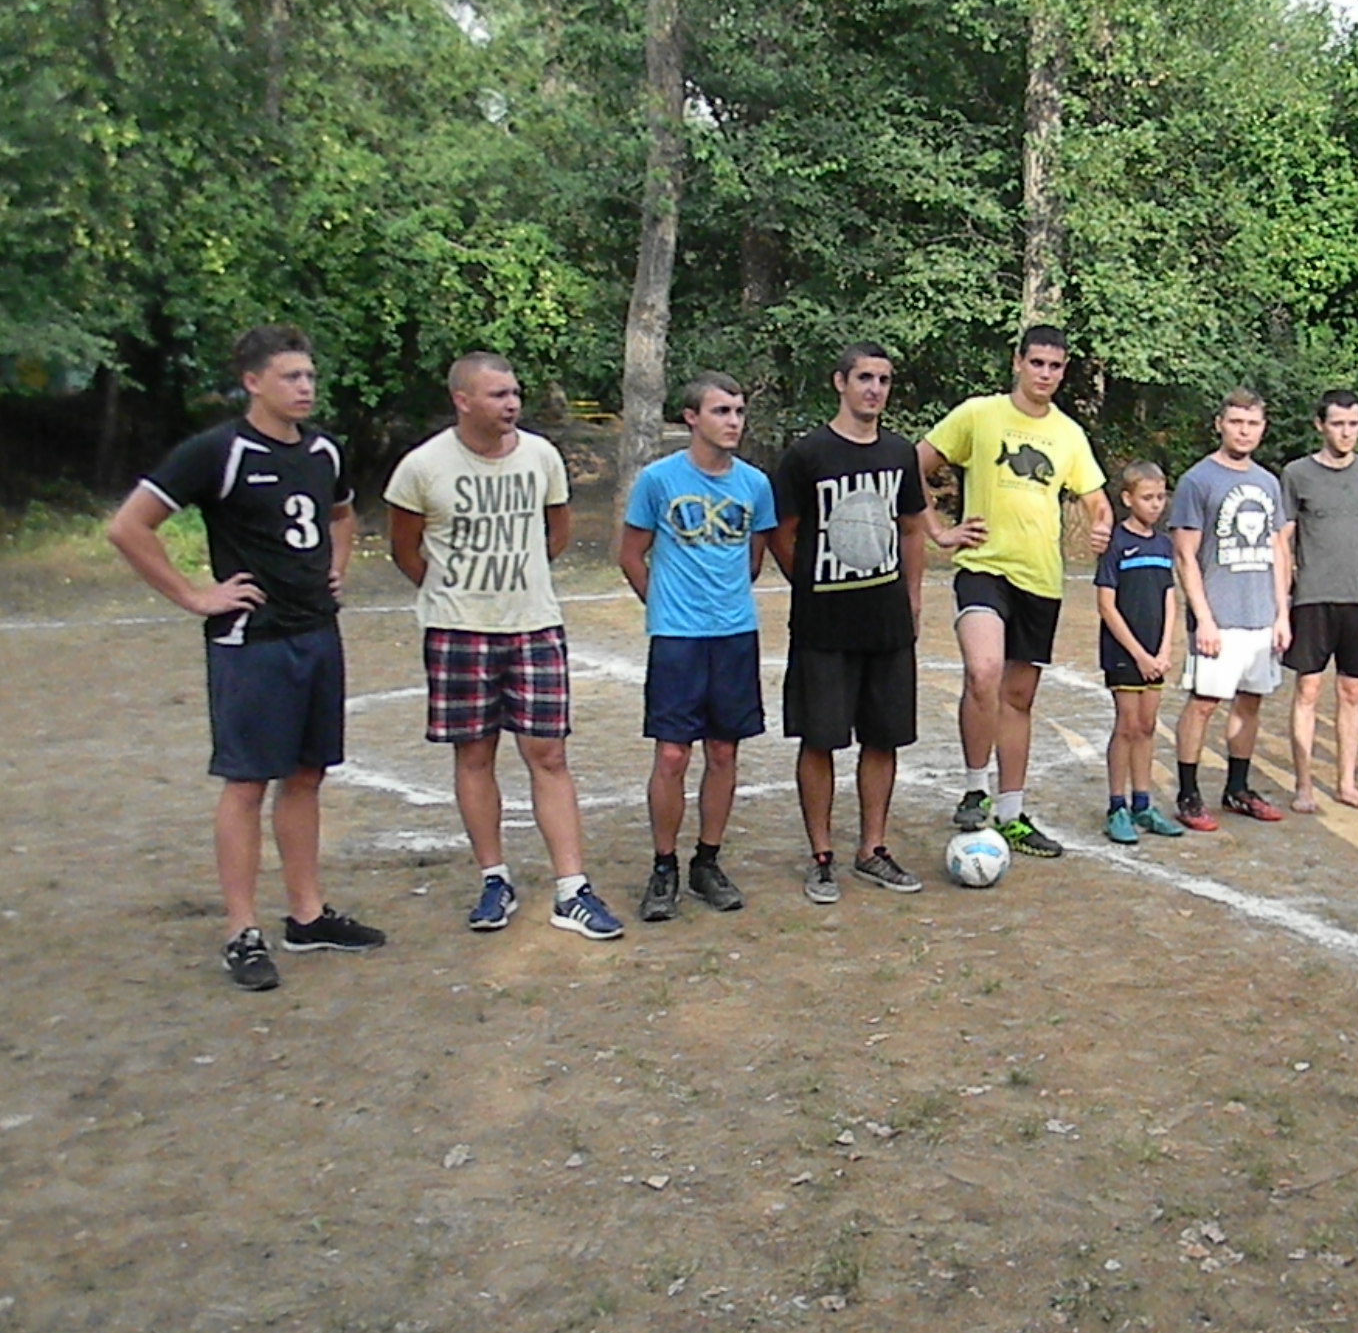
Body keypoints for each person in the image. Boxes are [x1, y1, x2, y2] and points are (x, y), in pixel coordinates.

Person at [106, 324, 384, 991]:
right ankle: (241, 928)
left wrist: (336, 566)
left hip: (316, 632)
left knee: (308, 773)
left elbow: (342, 515)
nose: (305, 387)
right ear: (252, 382)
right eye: (291, 377)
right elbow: (128, 525)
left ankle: (307, 914)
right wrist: (195, 595)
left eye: (310, 376)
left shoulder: (322, 451)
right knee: (246, 782)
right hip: (251, 643)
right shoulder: (219, 451)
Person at [384, 351, 620, 941]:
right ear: (463, 400)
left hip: (534, 625)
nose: (511, 404)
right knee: (473, 754)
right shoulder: (422, 467)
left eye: (514, 393)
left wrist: (520, 584)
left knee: (549, 754)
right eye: (497, 395)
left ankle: (573, 889)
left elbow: (556, 530)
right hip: (457, 630)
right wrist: (455, 596)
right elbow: (405, 549)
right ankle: (494, 879)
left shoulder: (541, 456)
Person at [767, 343, 984, 904]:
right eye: (864, 377)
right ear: (840, 382)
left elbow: (913, 529)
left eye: (884, 380)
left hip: (885, 623)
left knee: (883, 737)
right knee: (820, 739)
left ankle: (873, 849)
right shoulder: (807, 455)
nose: (874, 389)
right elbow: (782, 533)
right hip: (823, 625)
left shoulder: (897, 454)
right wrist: (811, 584)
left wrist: (912, 599)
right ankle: (821, 856)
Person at [917, 325, 1114, 858]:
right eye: (1037, 363)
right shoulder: (978, 415)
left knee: (1019, 697)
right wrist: (938, 529)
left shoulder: (1069, 435)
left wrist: (1101, 522)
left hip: (1040, 579)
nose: (1045, 374)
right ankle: (975, 789)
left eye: (1055, 366)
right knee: (983, 671)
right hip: (983, 566)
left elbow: (1097, 498)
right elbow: (915, 463)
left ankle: (1011, 812)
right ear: (1018, 362)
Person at [620, 371, 777, 918]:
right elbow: (630, 555)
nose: (733, 421)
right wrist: (664, 607)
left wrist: (720, 603)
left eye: (738, 411)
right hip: (678, 640)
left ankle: (707, 861)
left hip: (734, 635)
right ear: (691, 417)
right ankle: (663, 867)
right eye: (721, 411)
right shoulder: (658, 480)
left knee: (724, 751)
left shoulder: (755, 485)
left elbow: (753, 559)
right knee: (670, 754)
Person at [1170, 388, 1292, 830]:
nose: (1244, 431)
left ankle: (1237, 787)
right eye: (1236, 422)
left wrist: (1282, 613)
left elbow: (1278, 549)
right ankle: (1188, 793)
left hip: (1260, 613)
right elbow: (1185, 555)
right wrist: (1203, 618)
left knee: (1251, 701)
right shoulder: (1197, 481)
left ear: (1263, 428)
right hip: (1218, 616)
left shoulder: (1267, 482)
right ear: (1220, 424)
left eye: (1253, 423)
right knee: (1204, 703)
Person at [1277, 389, 1358, 814]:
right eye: (1337, 424)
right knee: (1307, 690)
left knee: (1352, 691)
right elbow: (1283, 542)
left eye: (1353, 424)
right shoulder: (1296, 475)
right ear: (1320, 425)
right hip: (1312, 597)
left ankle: (1347, 783)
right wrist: (1282, 606)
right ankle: (1304, 785)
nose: (1346, 432)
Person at [1094, 461, 1185, 845]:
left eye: (1160, 497)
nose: (1155, 505)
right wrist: (1138, 654)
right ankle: (1116, 805)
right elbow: (1106, 605)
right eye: (1147, 498)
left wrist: (1163, 649)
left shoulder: (1163, 544)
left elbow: (1169, 599)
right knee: (1127, 726)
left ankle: (1143, 803)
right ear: (1128, 499)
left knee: (1147, 726)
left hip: (1154, 653)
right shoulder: (1114, 543)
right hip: (1124, 652)